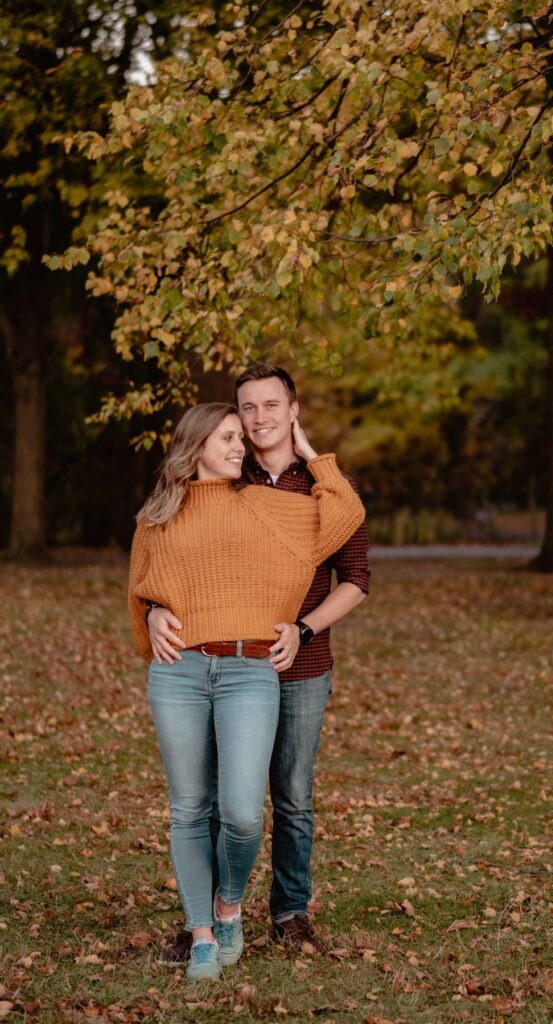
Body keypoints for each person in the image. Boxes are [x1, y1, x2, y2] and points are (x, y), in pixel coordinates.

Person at [129, 402, 365, 980]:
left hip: (249, 671)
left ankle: (228, 904)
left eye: (241, 437)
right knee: (188, 809)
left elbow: (347, 512)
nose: (241, 447)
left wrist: (314, 455)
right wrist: (155, 610)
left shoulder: (269, 508)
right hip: (180, 671)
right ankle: (203, 934)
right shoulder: (159, 513)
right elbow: (143, 588)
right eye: (229, 437)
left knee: (240, 812)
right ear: (196, 445)